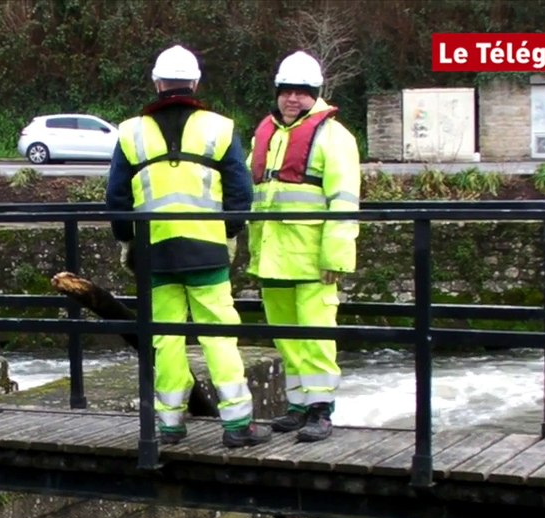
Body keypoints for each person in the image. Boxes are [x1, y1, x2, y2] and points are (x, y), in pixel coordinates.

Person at [105, 44, 268, 449]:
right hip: (206, 250)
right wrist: (227, 232)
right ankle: (237, 425)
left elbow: (117, 199)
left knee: (165, 338)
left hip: (155, 253)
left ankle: (170, 425)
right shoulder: (221, 128)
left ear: (157, 83)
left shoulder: (130, 132)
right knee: (219, 335)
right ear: (195, 83)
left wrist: (128, 240)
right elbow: (239, 191)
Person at [245, 50, 361, 443]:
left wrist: (336, 257)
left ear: (316, 94)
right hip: (272, 257)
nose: (292, 98)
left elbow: (344, 202)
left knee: (315, 334)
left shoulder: (335, 137)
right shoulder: (267, 134)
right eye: (286, 91)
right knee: (285, 335)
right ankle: (297, 405)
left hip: (313, 260)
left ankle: (321, 408)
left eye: (302, 92)